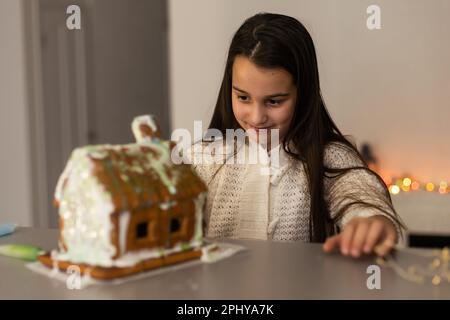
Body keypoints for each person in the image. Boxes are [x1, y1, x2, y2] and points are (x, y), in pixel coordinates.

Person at [189, 12, 405, 258]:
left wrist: (371, 221)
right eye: (243, 97)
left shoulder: (330, 157)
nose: (257, 116)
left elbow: (359, 194)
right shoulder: (204, 159)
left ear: (302, 95)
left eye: (274, 101)